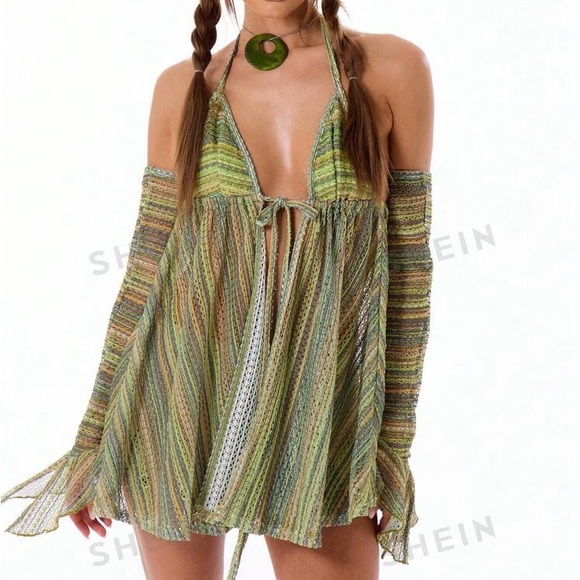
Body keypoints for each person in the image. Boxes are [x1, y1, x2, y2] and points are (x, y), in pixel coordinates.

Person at [1, 1, 434, 579]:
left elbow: (408, 271)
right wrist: (93, 440)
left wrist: (392, 451)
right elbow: (146, 270)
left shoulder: (392, 69)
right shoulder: (184, 88)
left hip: (318, 413)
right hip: (179, 401)